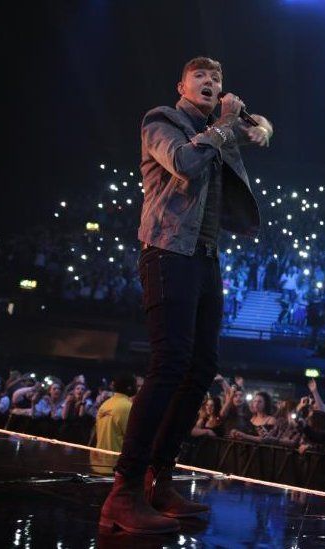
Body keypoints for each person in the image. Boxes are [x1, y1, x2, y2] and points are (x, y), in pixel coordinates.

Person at [100, 55, 272, 535]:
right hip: (167, 251)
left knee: (201, 367)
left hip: (205, 256)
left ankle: (160, 479)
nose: (211, 82)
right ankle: (125, 490)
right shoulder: (162, 120)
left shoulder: (219, 125)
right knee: (171, 361)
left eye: (217, 78)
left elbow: (261, 129)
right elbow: (183, 162)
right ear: (181, 85)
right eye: (201, 76)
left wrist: (260, 128)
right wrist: (224, 126)